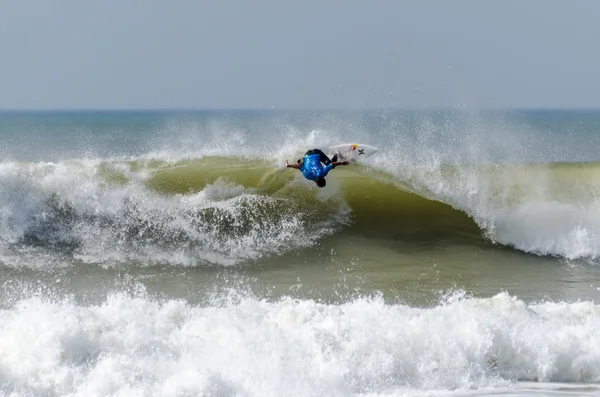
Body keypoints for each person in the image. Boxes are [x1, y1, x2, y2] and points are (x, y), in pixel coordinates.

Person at [285, 149, 349, 188]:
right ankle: (302, 159)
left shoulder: (323, 173)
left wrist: (342, 163)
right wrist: (289, 165)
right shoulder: (307, 175)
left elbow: (332, 164)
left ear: (323, 178)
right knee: (301, 164)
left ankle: (337, 154)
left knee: (331, 165)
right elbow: (299, 167)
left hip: (317, 152)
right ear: (316, 183)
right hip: (307, 154)